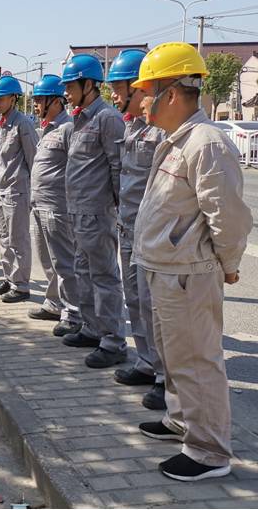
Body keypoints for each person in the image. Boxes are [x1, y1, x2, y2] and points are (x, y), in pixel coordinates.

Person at [132, 42, 252, 482]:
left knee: (197, 361)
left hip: (189, 274)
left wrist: (230, 262)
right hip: (166, 269)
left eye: (148, 90)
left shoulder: (207, 144)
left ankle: (208, 452)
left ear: (172, 94)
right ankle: (181, 423)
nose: (141, 99)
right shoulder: (177, 140)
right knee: (173, 356)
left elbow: (229, 215)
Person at [107, 50, 167, 410]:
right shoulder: (129, 124)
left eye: (118, 87)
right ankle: (146, 362)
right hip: (127, 226)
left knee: (154, 306)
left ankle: (164, 376)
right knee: (135, 301)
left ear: (141, 87)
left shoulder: (162, 131)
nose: (114, 95)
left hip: (152, 233)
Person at [60, 54, 128, 369]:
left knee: (104, 277)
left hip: (97, 214)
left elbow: (117, 167)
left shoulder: (107, 118)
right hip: (77, 212)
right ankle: (92, 329)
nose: (67, 92)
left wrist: (117, 210)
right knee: (82, 273)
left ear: (89, 85)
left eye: (71, 86)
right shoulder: (79, 119)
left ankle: (113, 342)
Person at [27, 75, 82, 336]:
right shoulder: (47, 128)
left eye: (39, 100)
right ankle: (54, 303)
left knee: (64, 262)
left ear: (56, 102)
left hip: (58, 207)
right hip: (39, 204)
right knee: (46, 259)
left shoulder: (68, 128)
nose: (36, 105)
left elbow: (76, 170)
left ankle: (73, 312)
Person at [0, 76, 38, 302]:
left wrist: (32, 193)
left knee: (18, 240)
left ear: (13, 98)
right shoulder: (2, 123)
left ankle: (21, 285)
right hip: (3, 190)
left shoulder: (23, 124)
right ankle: (10, 279)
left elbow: (33, 159)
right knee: (5, 238)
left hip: (18, 191)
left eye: (1, 98)